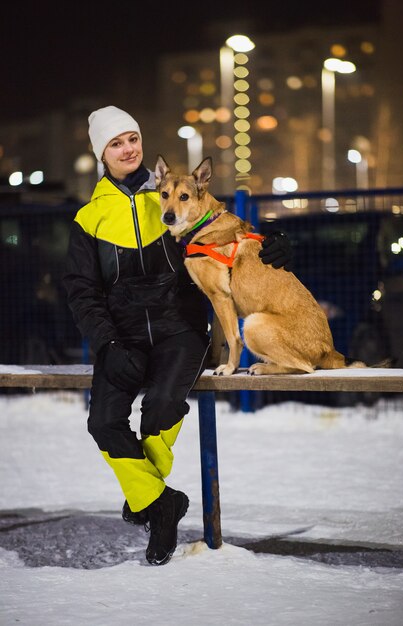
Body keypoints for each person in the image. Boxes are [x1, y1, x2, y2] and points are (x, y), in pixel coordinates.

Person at [63, 105, 292, 566]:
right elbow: (82, 291)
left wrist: (263, 245)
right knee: (103, 422)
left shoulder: (174, 196)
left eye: (133, 138)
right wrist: (107, 343)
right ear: (101, 154)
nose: (127, 148)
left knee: (162, 408)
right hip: (121, 335)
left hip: (179, 329)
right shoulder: (89, 218)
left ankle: (148, 502)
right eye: (116, 142)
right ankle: (160, 502)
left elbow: (224, 236)